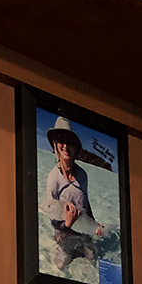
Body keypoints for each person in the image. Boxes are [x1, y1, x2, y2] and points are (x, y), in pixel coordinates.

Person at [43, 116, 104, 271]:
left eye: (68, 141)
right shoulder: (53, 177)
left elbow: (86, 203)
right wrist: (67, 224)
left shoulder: (82, 175)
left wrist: (95, 224)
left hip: (83, 230)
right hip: (64, 233)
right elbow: (52, 217)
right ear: (55, 146)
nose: (65, 146)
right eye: (60, 141)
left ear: (75, 147)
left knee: (94, 258)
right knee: (60, 265)